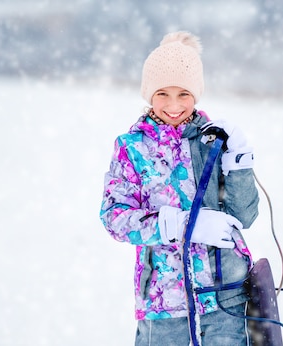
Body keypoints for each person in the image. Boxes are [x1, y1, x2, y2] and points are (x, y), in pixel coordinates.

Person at [99, 31, 260, 345]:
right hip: (163, 301)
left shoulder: (213, 142)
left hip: (223, 296)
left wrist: (239, 160)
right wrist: (183, 225)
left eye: (183, 94)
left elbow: (244, 216)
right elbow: (114, 217)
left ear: (196, 94)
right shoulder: (132, 148)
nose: (173, 105)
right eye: (163, 93)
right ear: (149, 94)